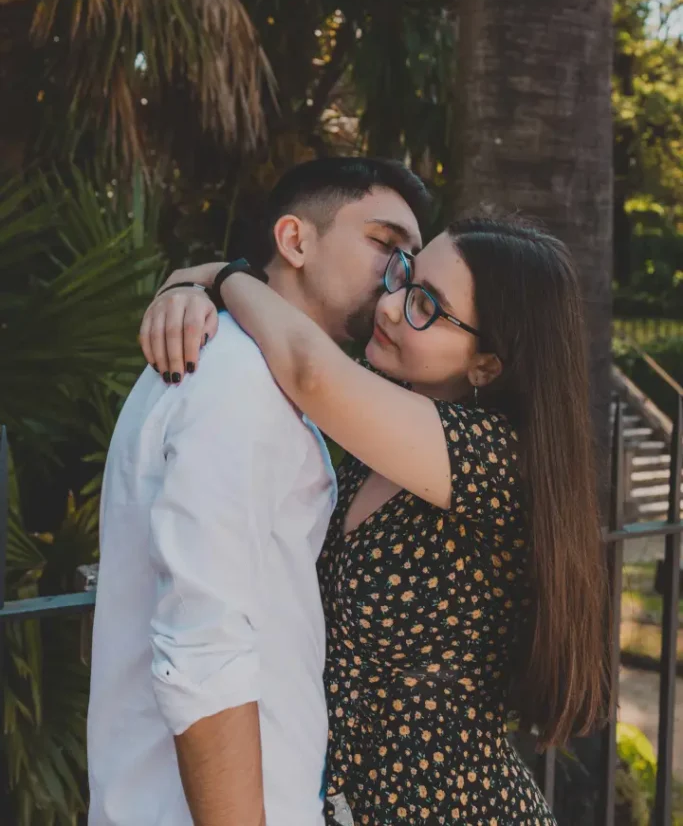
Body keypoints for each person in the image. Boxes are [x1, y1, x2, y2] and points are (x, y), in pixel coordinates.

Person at [141, 216, 607, 826]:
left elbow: (309, 369)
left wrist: (220, 276)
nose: (389, 307)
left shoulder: (495, 457)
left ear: (487, 365)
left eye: (425, 306)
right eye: (405, 278)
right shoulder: (376, 448)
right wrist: (186, 292)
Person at [86, 157, 431, 826]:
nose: (397, 283)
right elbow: (203, 650)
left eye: (410, 266)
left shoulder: (242, 371)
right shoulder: (238, 383)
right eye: (385, 246)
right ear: (295, 240)